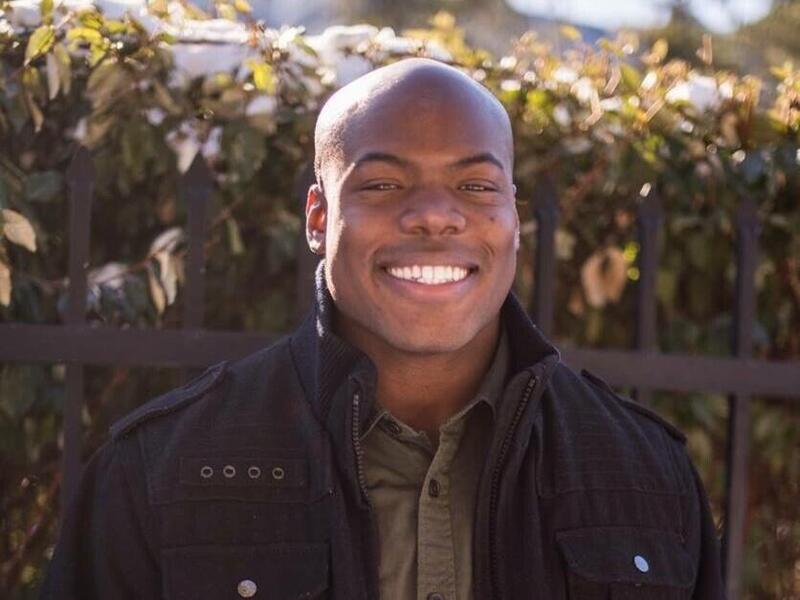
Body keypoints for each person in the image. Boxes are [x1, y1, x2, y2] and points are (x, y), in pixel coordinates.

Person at [41, 58, 726, 599]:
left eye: (476, 187)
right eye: (383, 185)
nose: (435, 216)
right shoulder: (158, 472)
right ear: (318, 218)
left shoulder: (647, 477)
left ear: (514, 215)